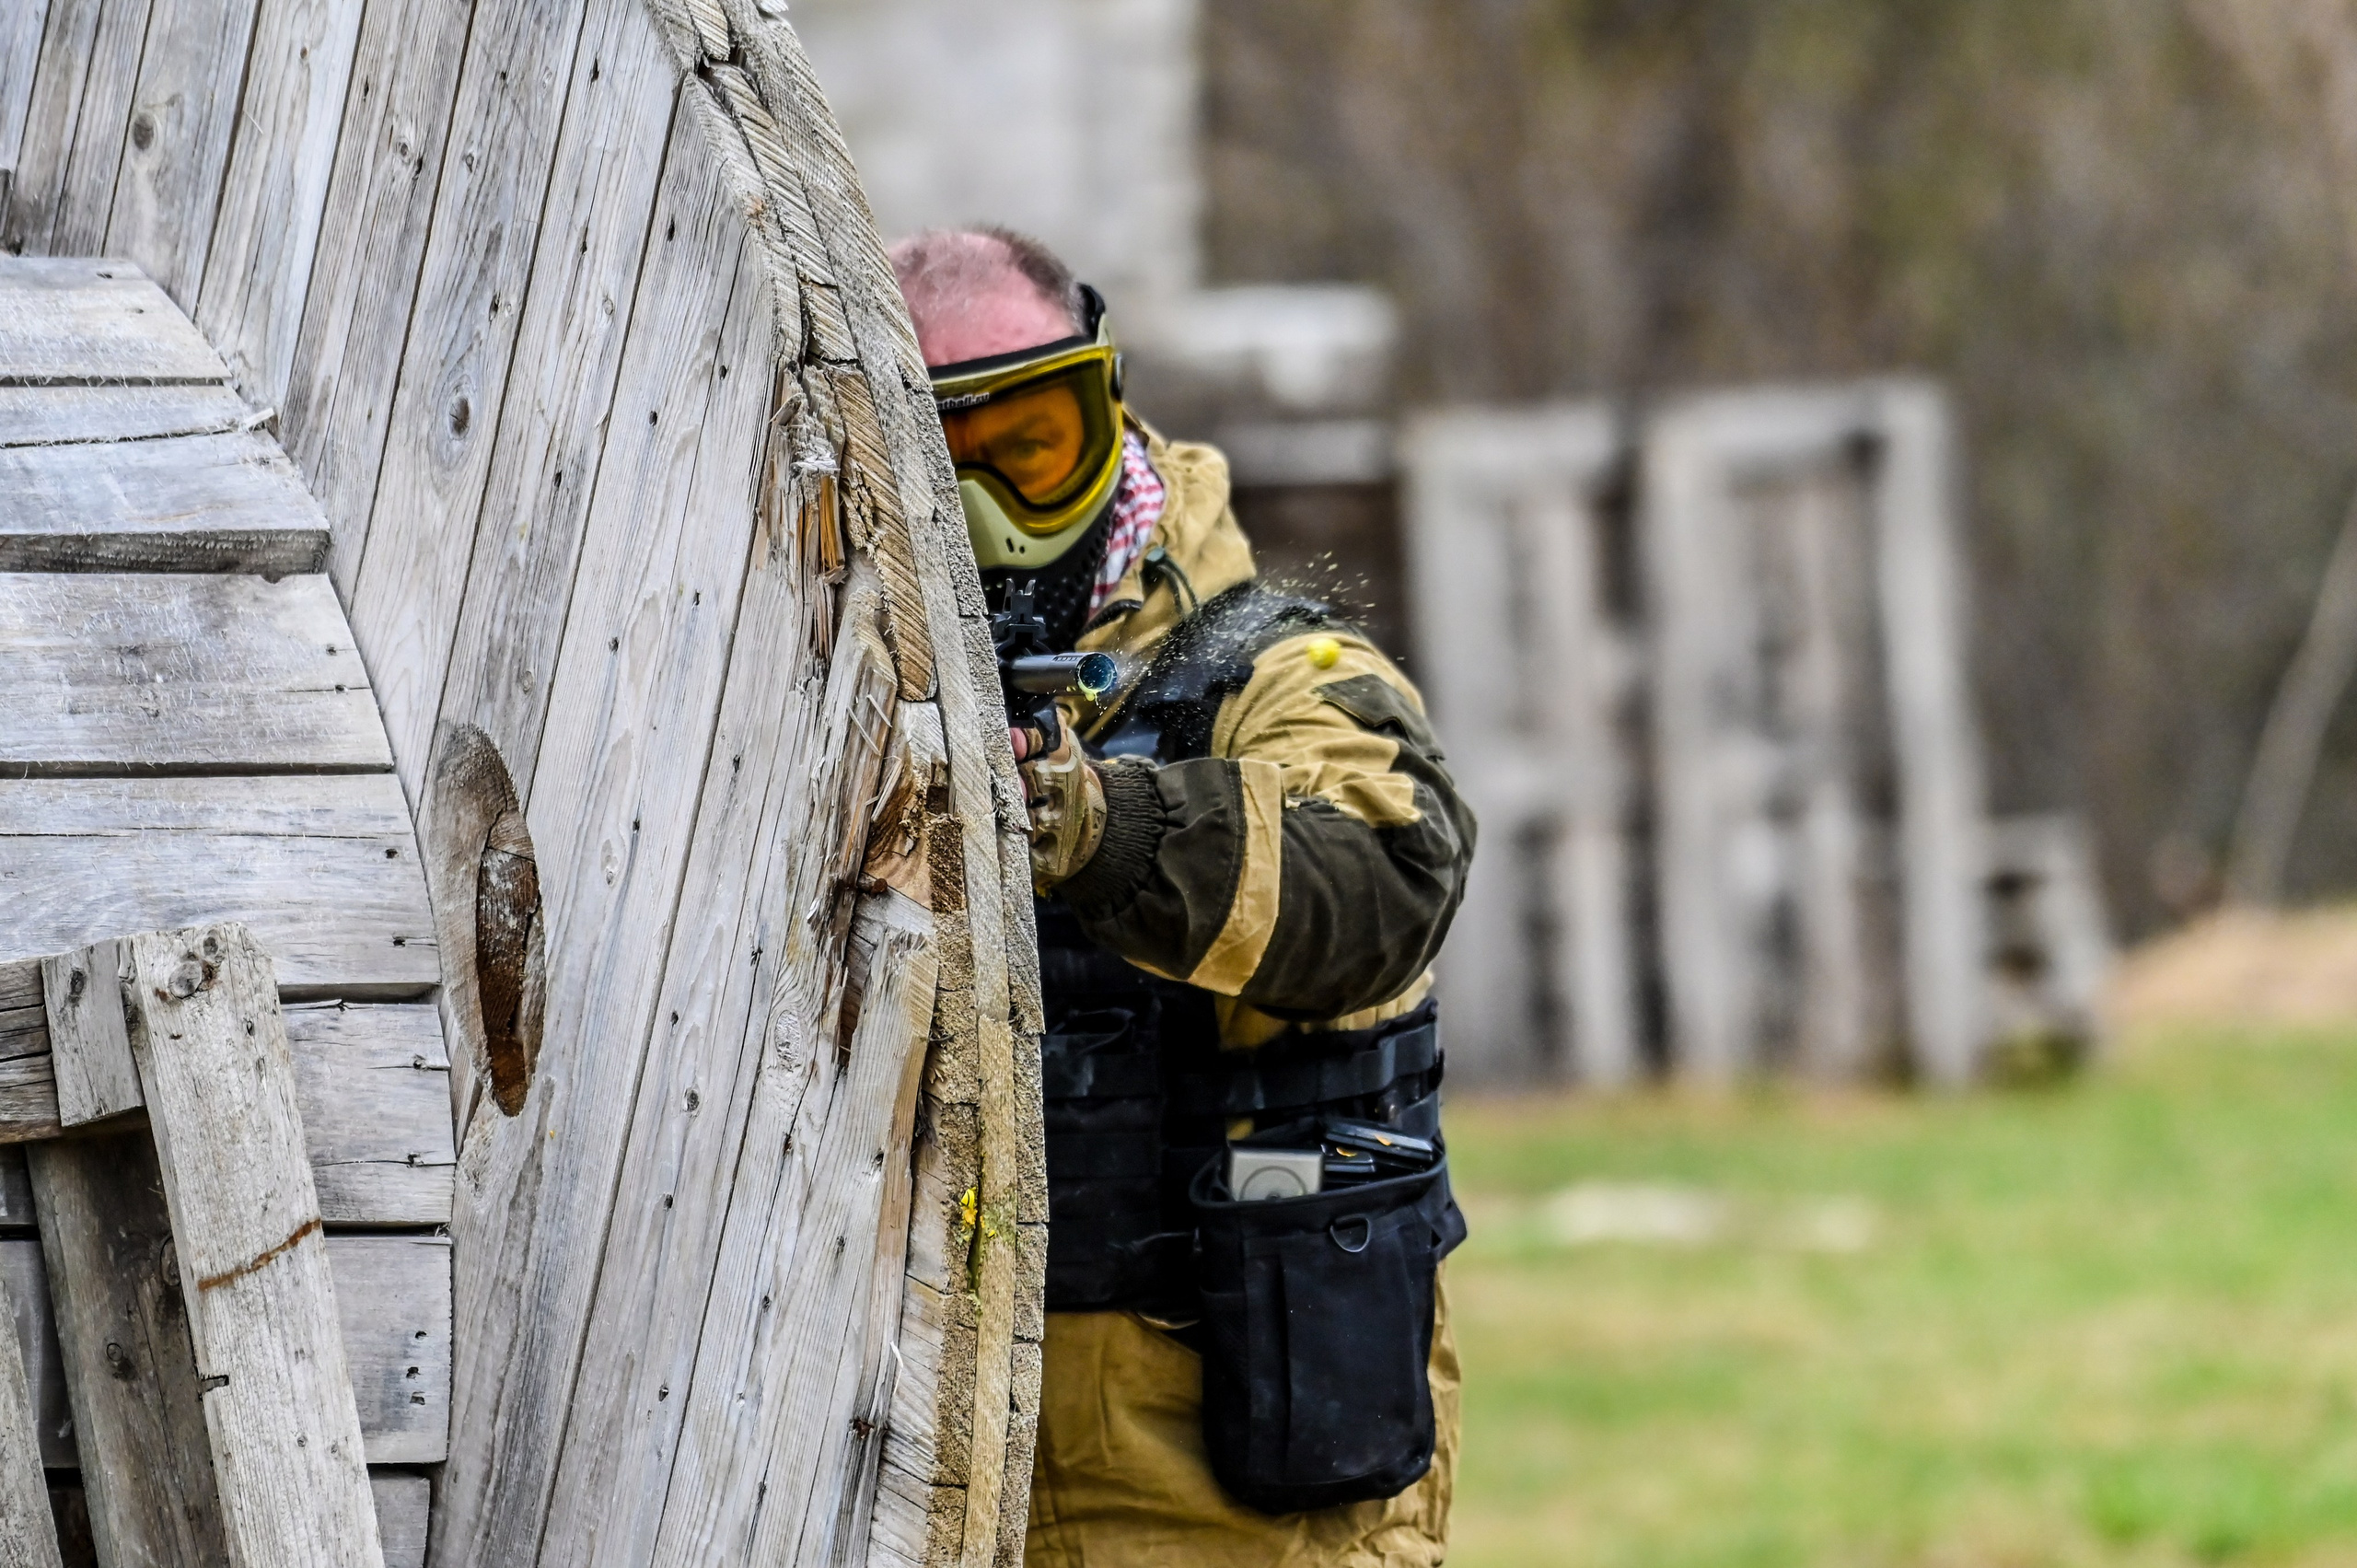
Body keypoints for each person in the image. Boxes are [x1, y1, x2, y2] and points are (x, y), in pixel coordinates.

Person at [890, 226, 1477, 1568]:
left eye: (1029, 450)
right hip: (909, 1452)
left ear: (1109, 421)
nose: (986, 517)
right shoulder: (816, 681)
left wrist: (1105, 829)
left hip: (1218, 1480)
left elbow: (1387, 871)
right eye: (931, 462)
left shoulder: (1271, 674)